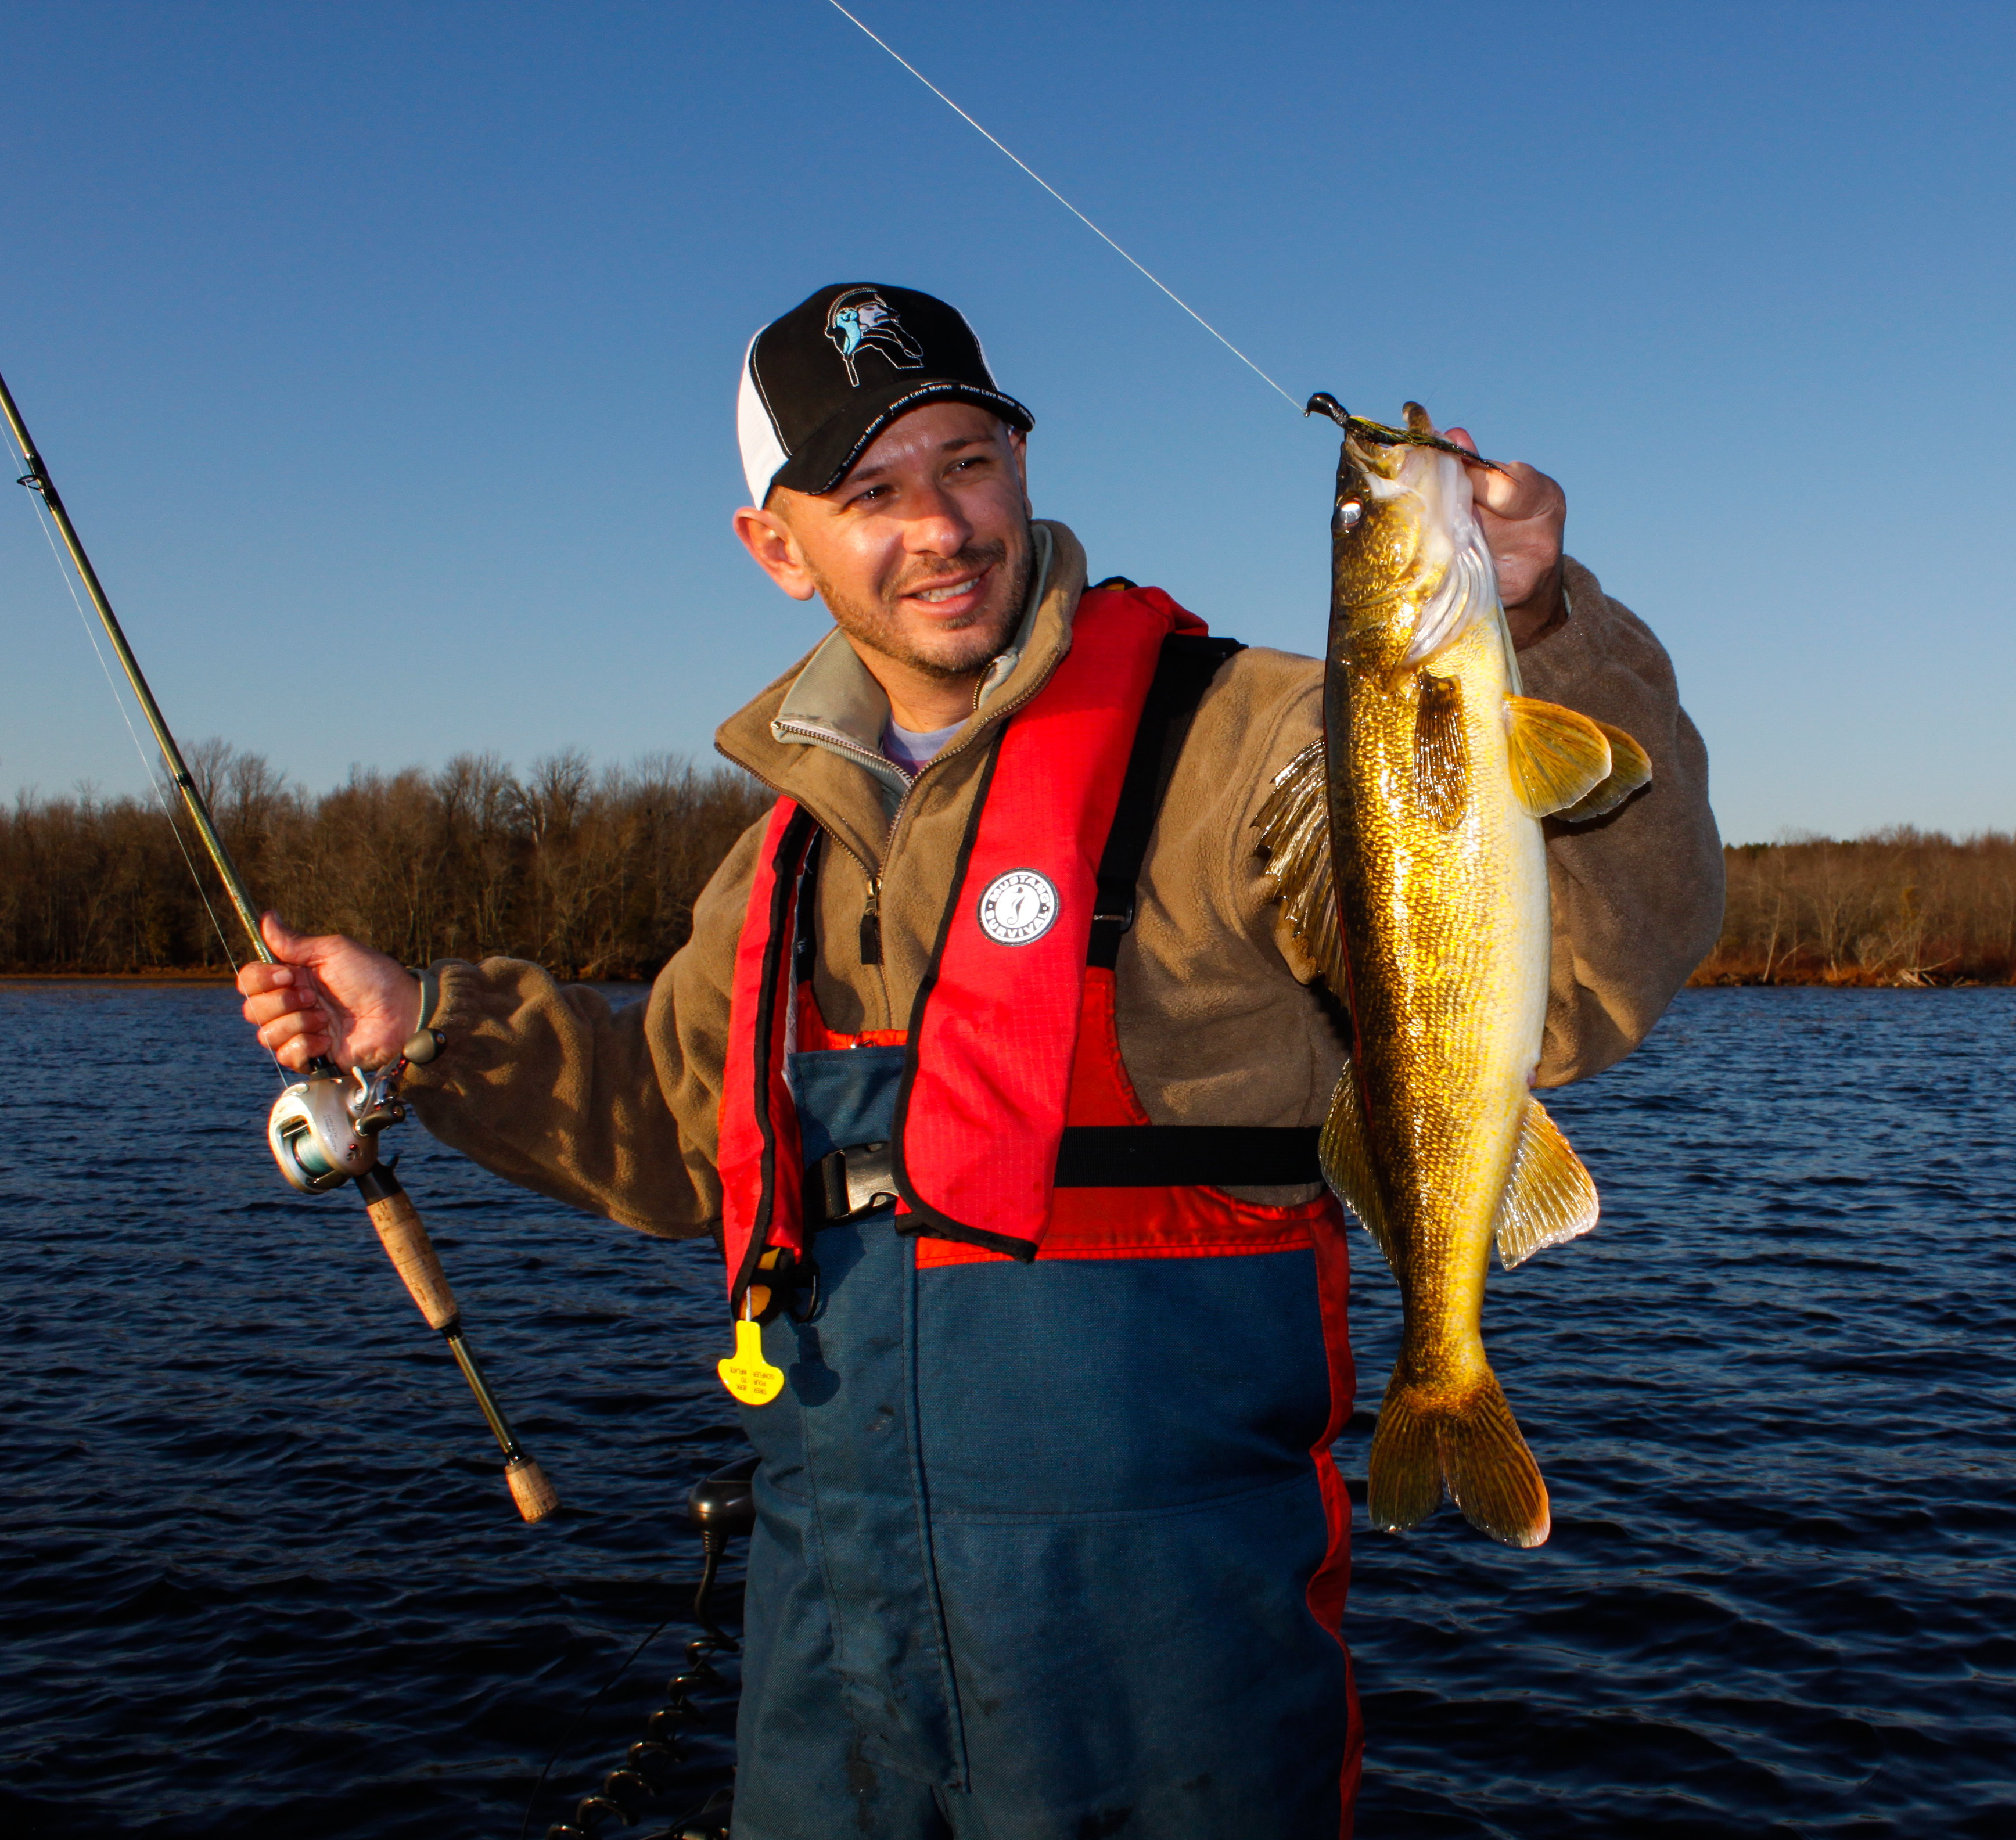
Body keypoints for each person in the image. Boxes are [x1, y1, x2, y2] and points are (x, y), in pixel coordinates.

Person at [236, 282, 1722, 1840]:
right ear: (777, 547)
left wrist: (1549, 628)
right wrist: (432, 1029)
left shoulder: (1263, 741)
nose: (940, 526)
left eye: (967, 463)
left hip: (1168, 1670)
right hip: (836, 1650)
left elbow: (1573, 990)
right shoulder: (782, 862)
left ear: (1025, 466)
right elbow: (673, 1137)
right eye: (870, 493)